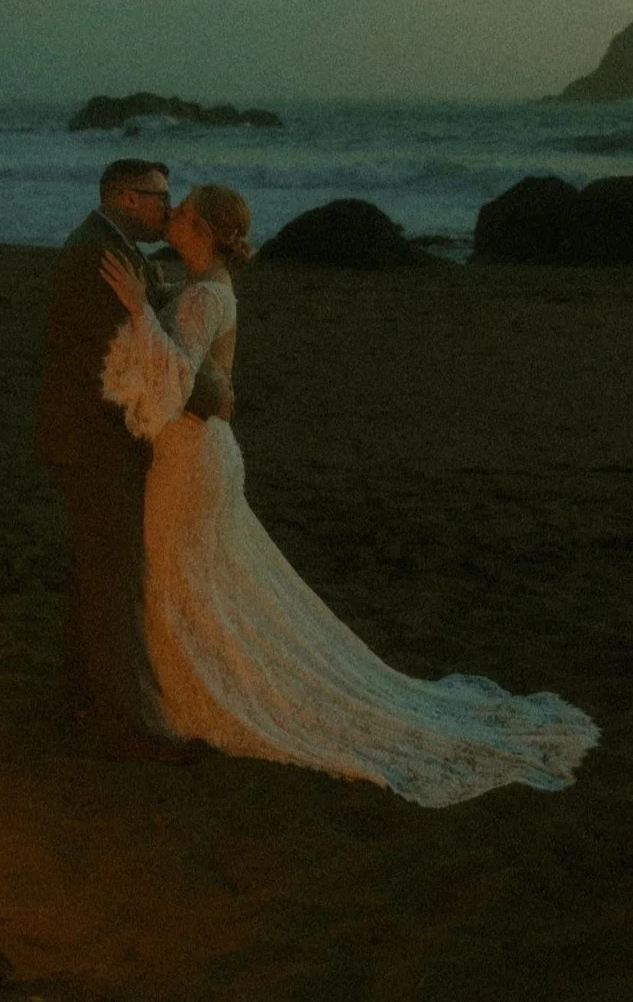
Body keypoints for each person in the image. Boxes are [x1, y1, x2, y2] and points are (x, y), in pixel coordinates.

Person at [98, 184, 599, 806]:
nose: (170, 214)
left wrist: (140, 308)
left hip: (191, 459)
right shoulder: (206, 285)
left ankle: (193, 696)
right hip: (204, 455)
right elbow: (205, 373)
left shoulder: (201, 295)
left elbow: (175, 375)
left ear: (202, 231)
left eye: (183, 211)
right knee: (205, 579)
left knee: (181, 574)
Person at [35, 159, 219, 758]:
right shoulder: (99, 255)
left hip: (83, 435)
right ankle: (127, 725)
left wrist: (181, 291)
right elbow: (144, 350)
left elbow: (147, 306)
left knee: (95, 571)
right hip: (94, 440)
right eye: (160, 198)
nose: (168, 210)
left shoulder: (109, 246)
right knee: (114, 577)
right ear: (126, 198)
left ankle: (78, 699)